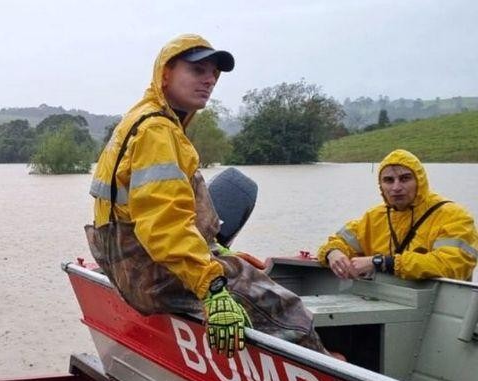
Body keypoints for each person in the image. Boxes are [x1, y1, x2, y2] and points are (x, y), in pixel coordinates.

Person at [86, 34, 330, 359]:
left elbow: (161, 211)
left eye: (214, 73)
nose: (209, 79)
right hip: (156, 272)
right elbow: (164, 226)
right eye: (197, 70)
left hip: (138, 264)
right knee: (288, 311)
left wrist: (219, 252)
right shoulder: (157, 132)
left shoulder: (146, 120)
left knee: (244, 273)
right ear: (166, 74)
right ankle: (333, 380)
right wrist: (212, 286)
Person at [317, 149, 478, 281]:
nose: (396, 187)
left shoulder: (454, 216)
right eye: (388, 180)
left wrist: (381, 262)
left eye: (405, 178)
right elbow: (337, 242)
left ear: (420, 181)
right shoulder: (373, 217)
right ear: (381, 185)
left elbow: (453, 265)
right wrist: (333, 253)